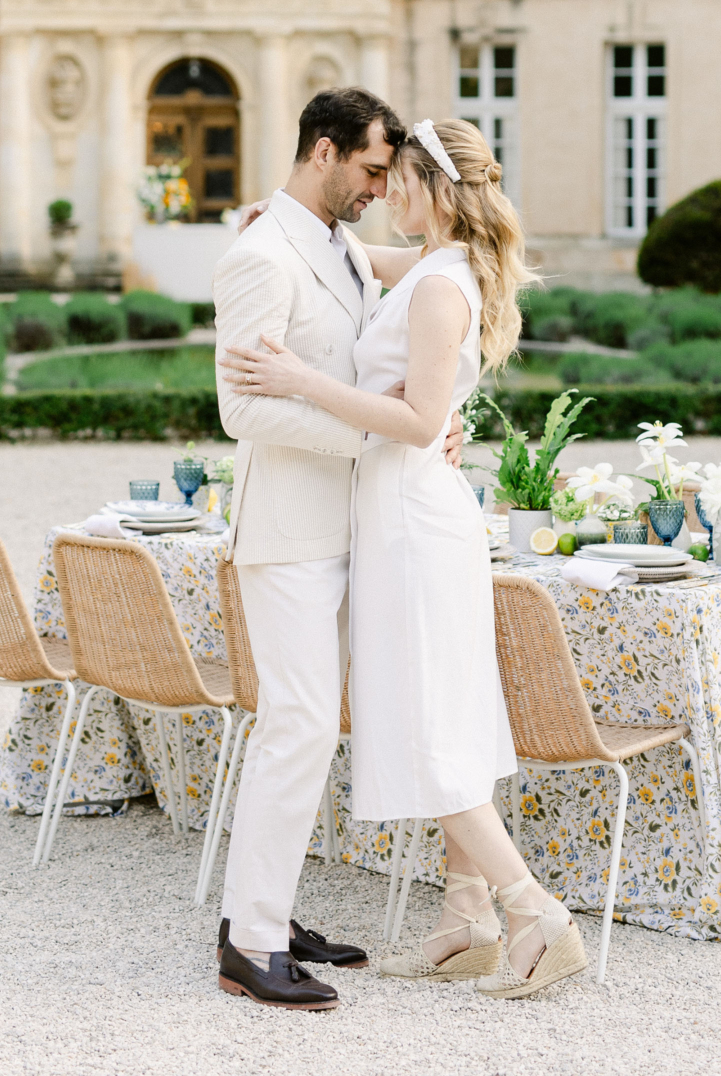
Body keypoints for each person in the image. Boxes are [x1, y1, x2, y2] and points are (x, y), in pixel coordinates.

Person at [222, 117, 588, 1001]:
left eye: (396, 177)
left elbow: (420, 418)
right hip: (403, 513)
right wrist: (261, 219)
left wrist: (313, 385)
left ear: (431, 184)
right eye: (373, 174)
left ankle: (534, 914)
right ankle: (466, 917)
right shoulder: (427, 267)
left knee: (428, 721)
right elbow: (344, 262)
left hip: (411, 520)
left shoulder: (436, 285)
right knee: (447, 713)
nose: (382, 192)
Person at [211, 87, 464, 1012]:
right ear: (323, 151)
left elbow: (431, 285)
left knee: (314, 728)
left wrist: (437, 414)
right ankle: (250, 941)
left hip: (351, 526)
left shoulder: (341, 244)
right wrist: (379, 438)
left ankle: (266, 910)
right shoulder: (257, 254)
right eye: (367, 169)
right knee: (301, 725)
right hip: (286, 532)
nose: (377, 186)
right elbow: (241, 407)